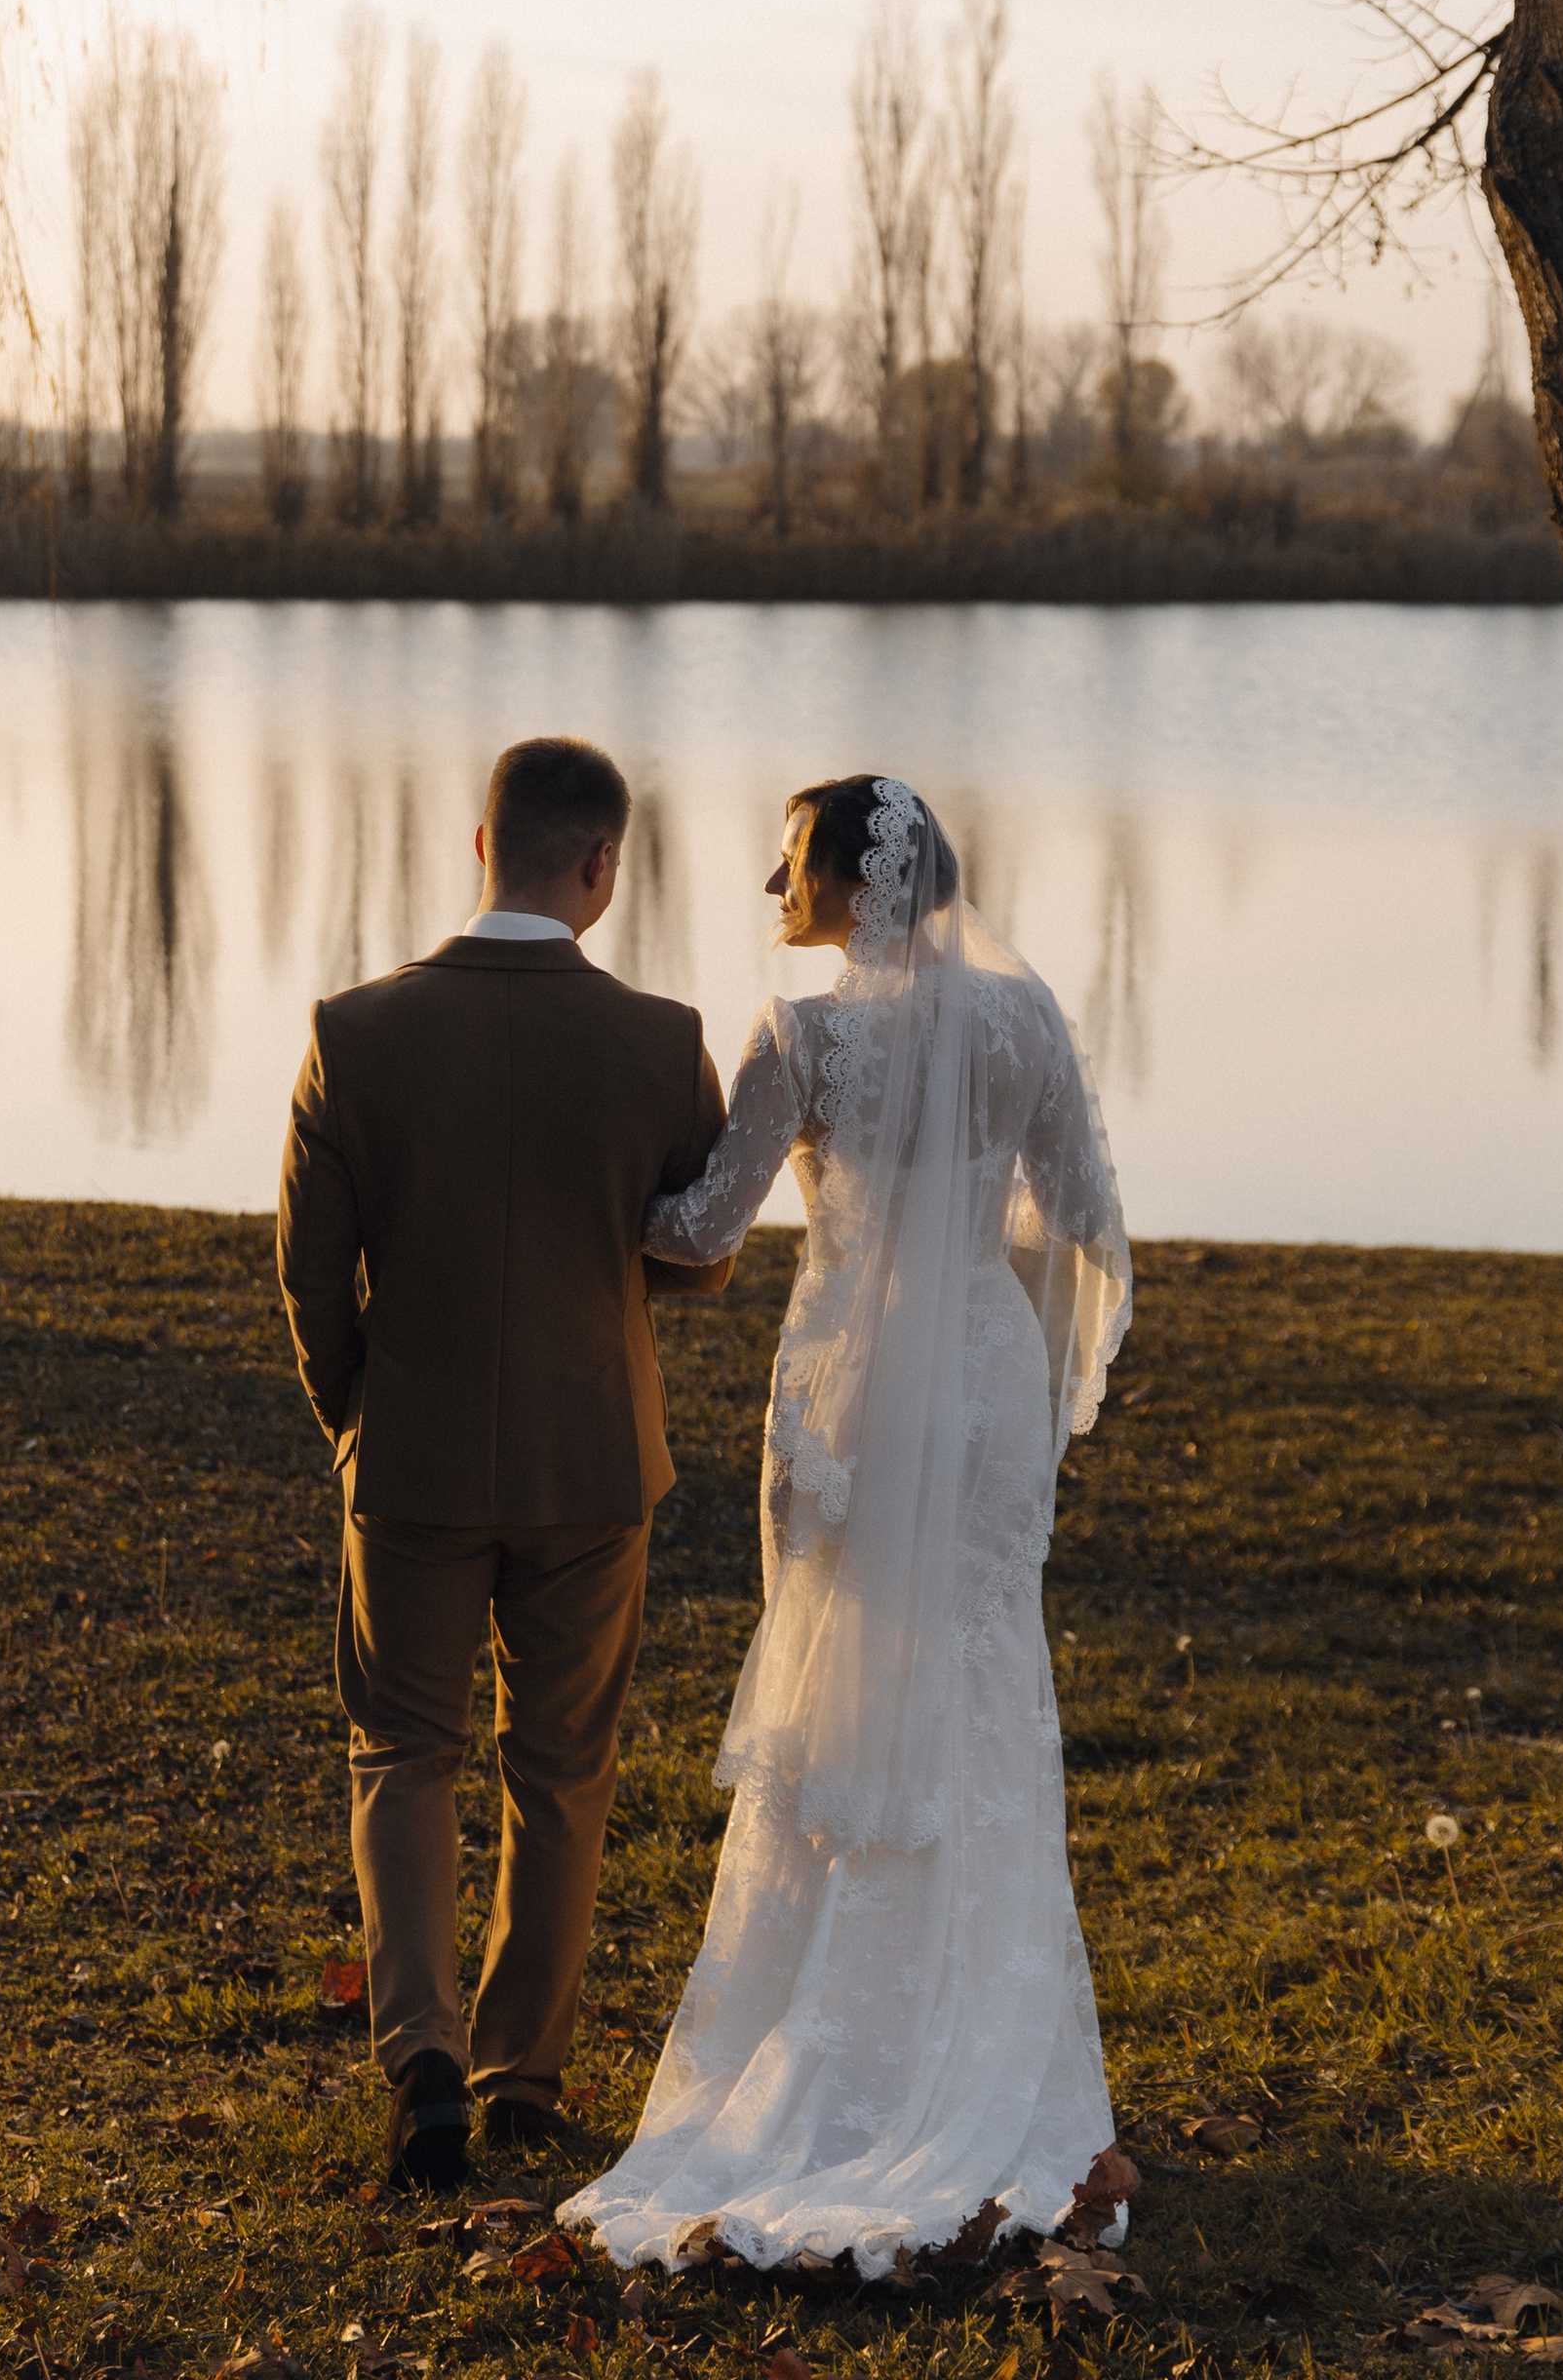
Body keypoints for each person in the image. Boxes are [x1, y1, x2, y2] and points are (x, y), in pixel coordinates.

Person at [562, 770, 1132, 2280]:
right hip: (985, 1381)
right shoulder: (1025, 1022)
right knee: (979, 1675)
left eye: (791, 859)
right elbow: (1077, 1218)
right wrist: (961, 1242)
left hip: (859, 1395)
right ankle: (976, 2032)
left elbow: (698, 1231)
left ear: (855, 884)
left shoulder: (804, 1037)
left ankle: (836, 2051)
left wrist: (577, 1193)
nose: (771, 884)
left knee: (845, 1677)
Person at [276, 733, 734, 2192]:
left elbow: (308, 1267)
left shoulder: (353, 1031)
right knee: (561, 1768)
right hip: (593, 1459)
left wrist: (357, 1408)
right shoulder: (663, 1042)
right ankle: (520, 2076)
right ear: (600, 868)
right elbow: (699, 1253)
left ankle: (418, 2057)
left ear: (482, 850)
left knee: (402, 1751)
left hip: (407, 1455)